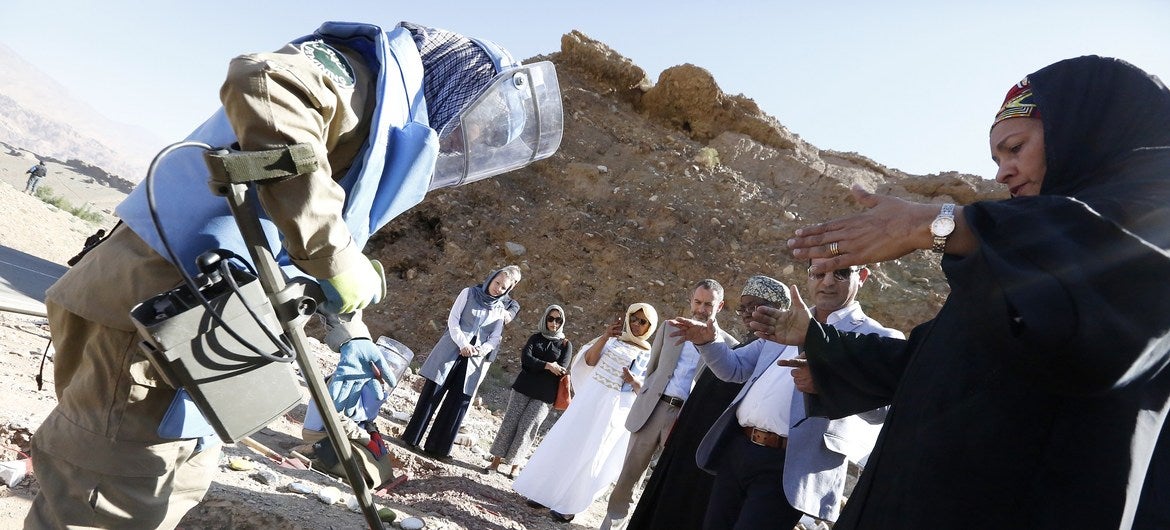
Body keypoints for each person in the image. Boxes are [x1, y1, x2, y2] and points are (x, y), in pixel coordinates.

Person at [26, 21, 562, 529]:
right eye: (462, 128)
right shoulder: (359, 77)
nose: (453, 146)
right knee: (108, 504)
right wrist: (335, 255)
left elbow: (291, 228)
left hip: (203, 342)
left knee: (168, 487)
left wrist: (349, 326)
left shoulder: (373, 129)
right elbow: (262, 78)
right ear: (452, 87)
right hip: (156, 325)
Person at [767, 55, 1170, 528]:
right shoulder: (1014, 257)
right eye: (996, 159)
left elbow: (1099, 270)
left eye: (1015, 148)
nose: (1003, 173)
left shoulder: (1145, 235)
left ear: (1086, 136)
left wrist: (934, 224)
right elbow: (932, 364)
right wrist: (819, 344)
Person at [670, 268, 902, 530]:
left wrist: (828, 384)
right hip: (738, 448)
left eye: (840, 273)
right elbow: (736, 369)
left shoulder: (878, 337)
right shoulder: (786, 321)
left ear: (861, 277)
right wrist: (709, 342)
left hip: (790, 466)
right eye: (818, 272)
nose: (826, 282)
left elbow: (882, 410)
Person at [626, 276, 794, 530]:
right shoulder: (747, 347)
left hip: (711, 452)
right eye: (744, 306)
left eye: (755, 306)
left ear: (776, 308)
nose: (747, 313)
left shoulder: (774, 351)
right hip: (687, 441)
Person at [601, 279, 735, 530]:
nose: (701, 308)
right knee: (629, 473)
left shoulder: (728, 345)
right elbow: (652, 368)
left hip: (686, 419)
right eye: (697, 302)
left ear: (720, 306)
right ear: (690, 300)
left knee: (669, 480)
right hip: (654, 408)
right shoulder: (668, 328)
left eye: (708, 304)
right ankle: (612, 523)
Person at [513, 303, 659, 523]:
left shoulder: (650, 355)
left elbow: (646, 389)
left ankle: (569, 506)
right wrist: (605, 336)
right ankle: (544, 493)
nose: (636, 325)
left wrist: (634, 380)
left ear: (650, 327)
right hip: (590, 399)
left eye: (642, 322)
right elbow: (589, 361)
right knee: (567, 443)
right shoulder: (612, 340)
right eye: (633, 319)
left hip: (614, 409)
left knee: (592, 454)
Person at [403, 266, 521, 458]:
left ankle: (437, 449)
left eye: (502, 288)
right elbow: (453, 319)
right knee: (433, 393)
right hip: (451, 349)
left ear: (507, 291)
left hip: (473, 359)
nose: (497, 288)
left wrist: (480, 350)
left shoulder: (500, 309)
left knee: (456, 403)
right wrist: (463, 343)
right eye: (497, 283)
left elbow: (495, 337)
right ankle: (412, 438)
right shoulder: (468, 293)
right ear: (491, 278)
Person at [484, 304, 573, 478]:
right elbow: (526, 359)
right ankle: (495, 461)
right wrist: (547, 365)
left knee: (528, 427)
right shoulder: (535, 338)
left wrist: (539, 365)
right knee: (510, 422)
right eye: (550, 318)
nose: (554, 323)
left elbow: (562, 368)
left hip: (545, 395)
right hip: (523, 388)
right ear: (545, 319)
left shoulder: (565, 344)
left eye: (558, 319)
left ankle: (515, 466)